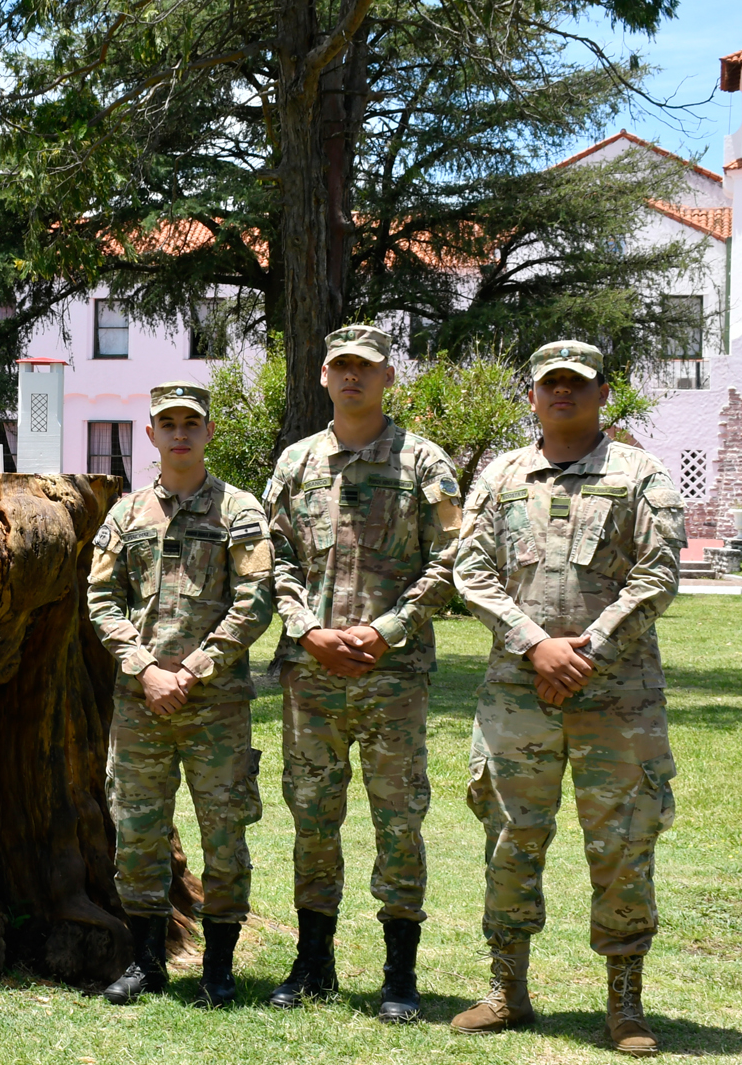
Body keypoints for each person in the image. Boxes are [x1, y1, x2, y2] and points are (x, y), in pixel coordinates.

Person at [449, 341, 683, 1056]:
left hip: (617, 699)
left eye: (576, 384)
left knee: (622, 844)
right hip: (518, 693)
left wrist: (586, 652)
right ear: (532, 397)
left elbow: (658, 574)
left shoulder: (639, 475)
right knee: (511, 838)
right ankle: (507, 990)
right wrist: (535, 645)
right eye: (549, 384)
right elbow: (470, 569)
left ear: (603, 393)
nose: (562, 394)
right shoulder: (502, 475)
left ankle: (625, 1003)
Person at [259, 324, 461, 1022]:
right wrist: (306, 629)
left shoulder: (425, 464)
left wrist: (387, 628)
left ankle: (398, 974)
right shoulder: (295, 464)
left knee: (398, 820)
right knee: (313, 818)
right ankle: (312, 961)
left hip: (391, 676)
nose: (353, 378)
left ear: (387, 378)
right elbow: (272, 557)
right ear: (322, 377)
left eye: (365, 369)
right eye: (341, 367)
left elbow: (450, 560)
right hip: (310, 677)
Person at [87, 380, 273, 1008]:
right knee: (138, 830)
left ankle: (218, 966)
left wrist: (191, 670)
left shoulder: (240, 512)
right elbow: (101, 597)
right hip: (141, 704)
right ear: (152, 435)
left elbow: (255, 601)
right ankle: (147, 962)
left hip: (214, 705)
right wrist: (145, 668)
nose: (181, 434)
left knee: (225, 831)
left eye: (191, 423)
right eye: (168, 424)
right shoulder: (126, 513)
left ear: (209, 432)